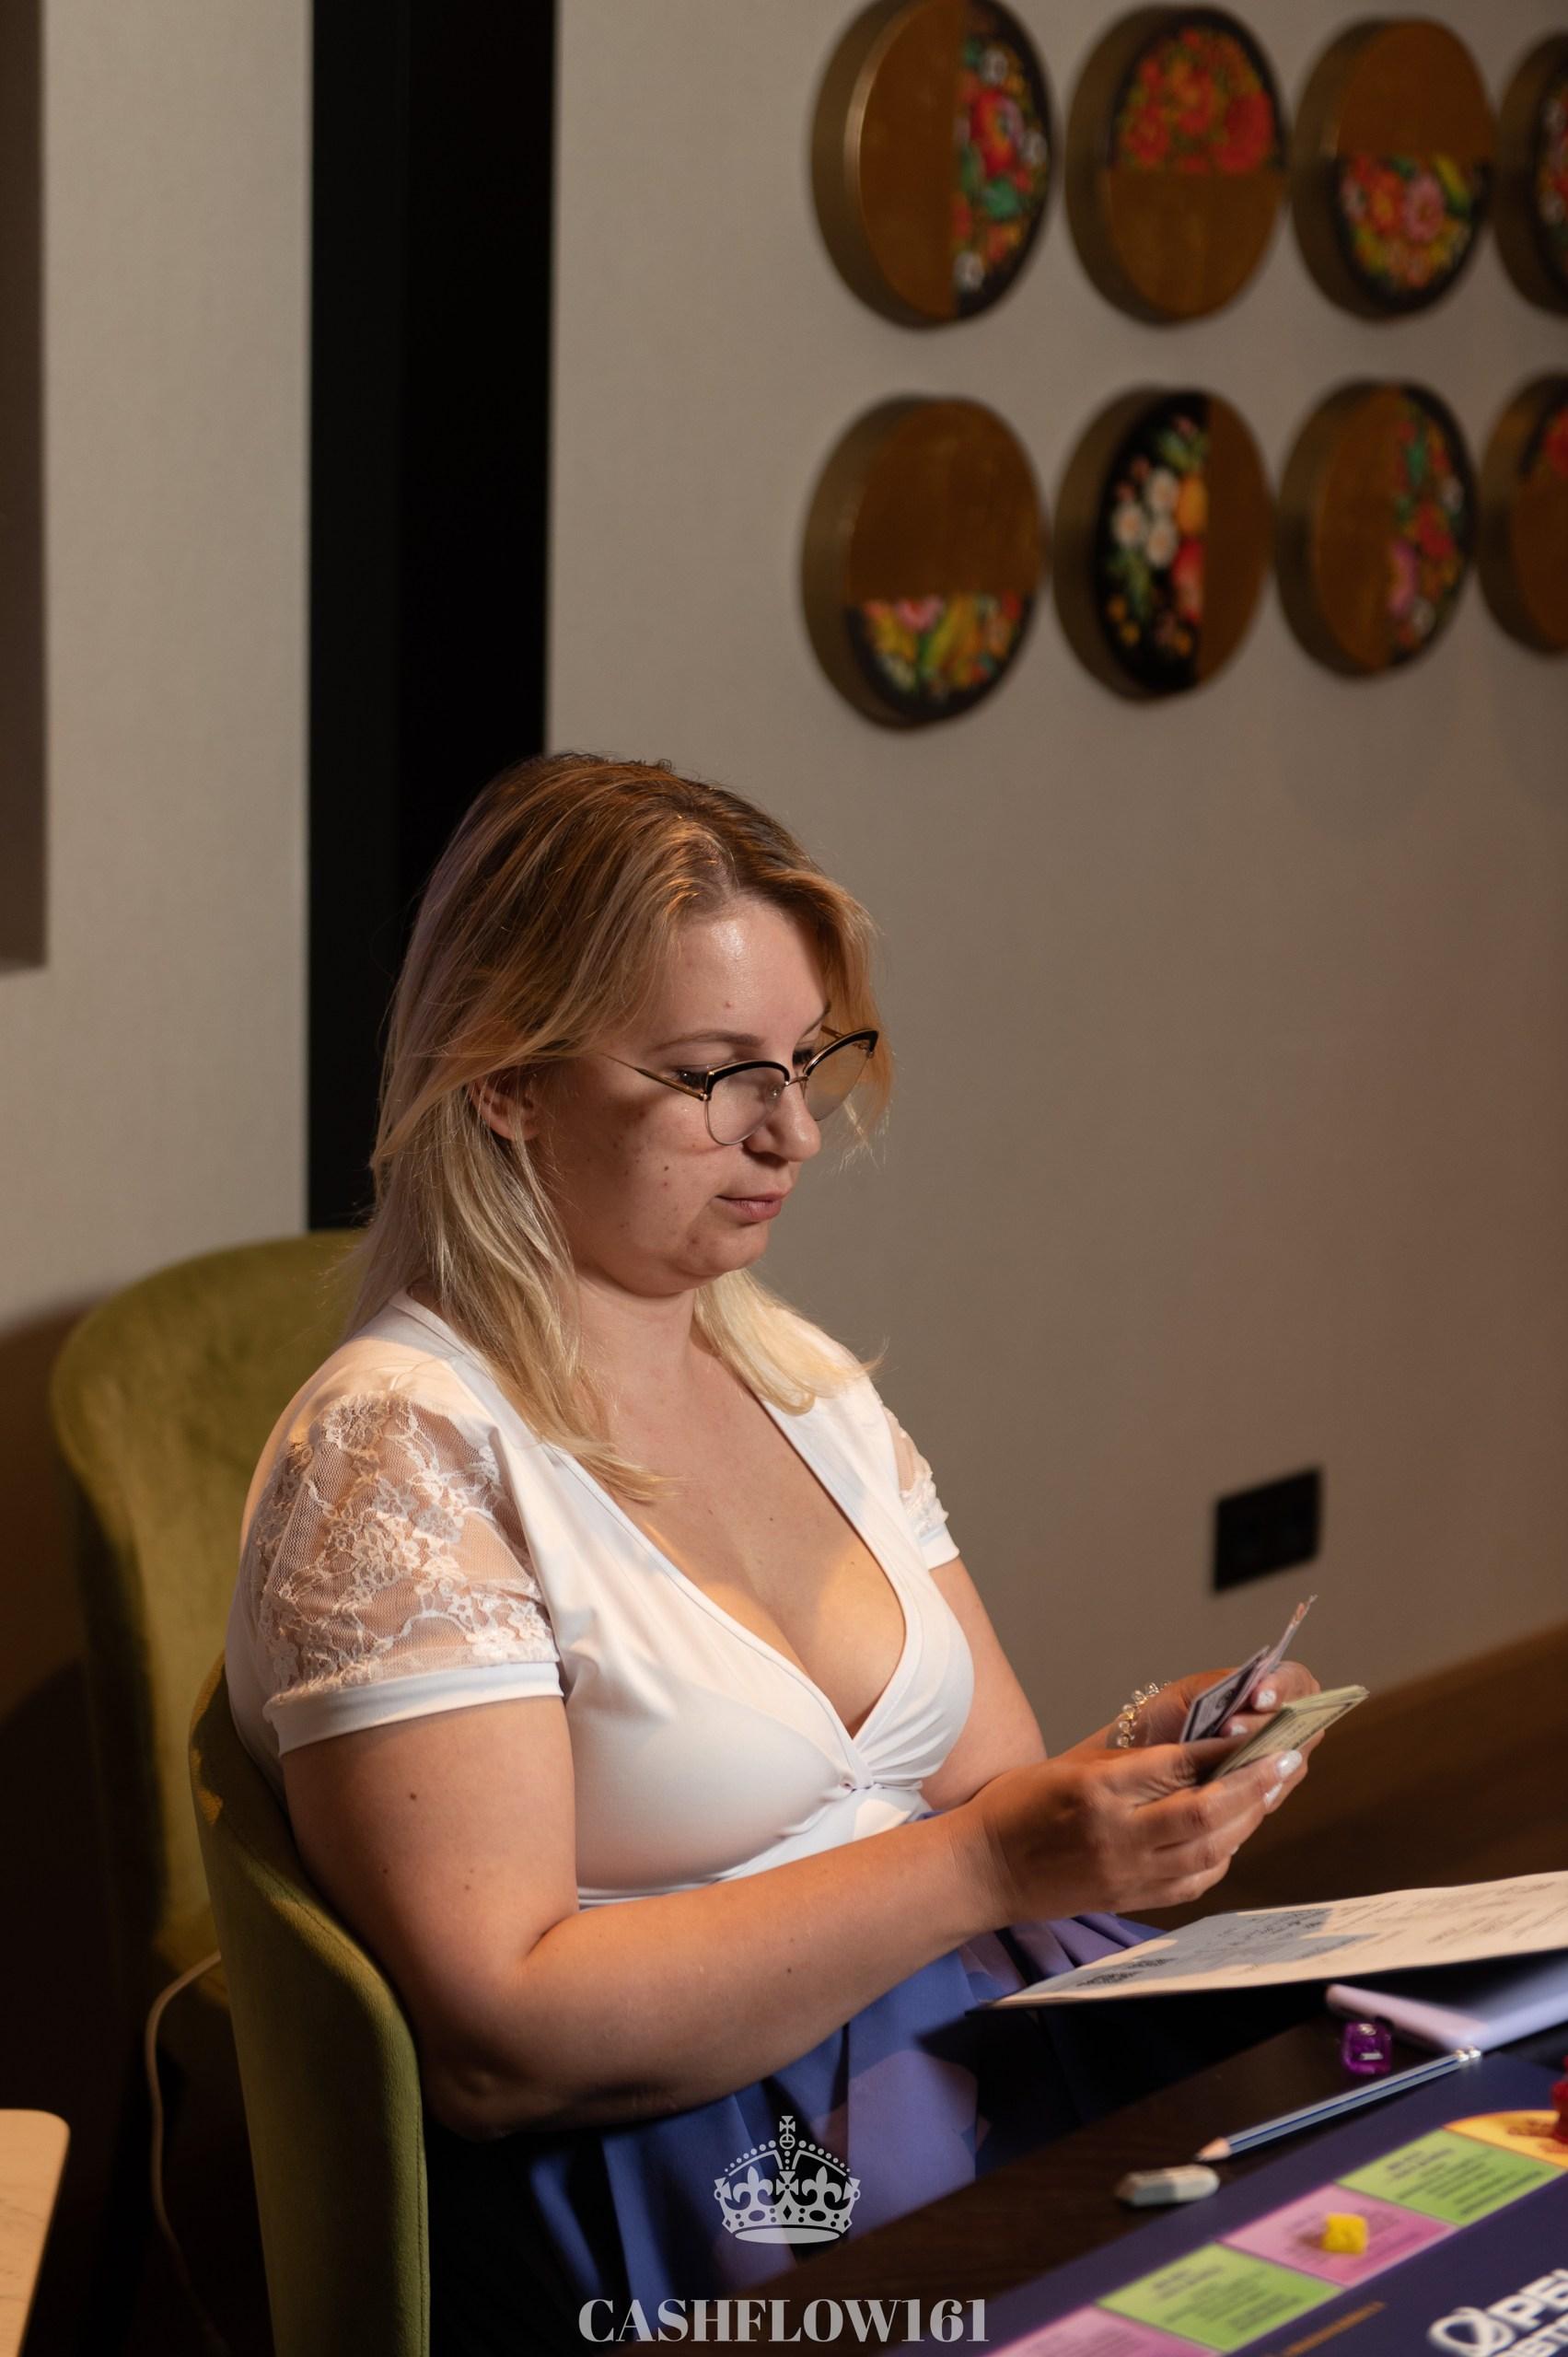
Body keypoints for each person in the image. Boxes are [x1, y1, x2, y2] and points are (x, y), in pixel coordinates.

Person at [225, 751, 1319, 2351]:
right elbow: (499, 2045)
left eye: (806, 1062)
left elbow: (980, 1794)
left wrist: (1136, 1778)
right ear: (506, 1082)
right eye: (714, 1074)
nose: (793, 1132)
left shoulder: (797, 1375)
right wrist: (993, 1866)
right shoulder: (399, 1456)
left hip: (986, 2055)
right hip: (716, 2184)